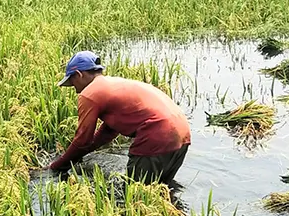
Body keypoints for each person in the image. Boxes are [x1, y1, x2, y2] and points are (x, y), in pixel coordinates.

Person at [48, 51, 192, 185]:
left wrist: (57, 166)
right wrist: (80, 155)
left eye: (72, 84)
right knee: (162, 190)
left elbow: (82, 139)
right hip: (182, 133)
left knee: (136, 196)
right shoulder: (115, 84)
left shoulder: (89, 94)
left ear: (79, 74)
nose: (75, 89)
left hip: (158, 133)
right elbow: (108, 132)